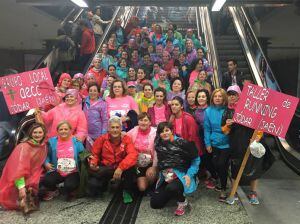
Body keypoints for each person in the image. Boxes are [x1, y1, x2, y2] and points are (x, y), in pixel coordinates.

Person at [221, 85, 263, 205]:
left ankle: (253, 193)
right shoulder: (226, 111)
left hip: (252, 142)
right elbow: (224, 131)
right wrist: (227, 125)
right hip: (236, 144)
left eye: (234, 94)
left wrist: (257, 139)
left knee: (254, 168)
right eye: (229, 94)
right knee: (235, 167)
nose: (232, 97)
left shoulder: (251, 108)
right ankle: (233, 193)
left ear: (240, 95)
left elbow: (260, 125)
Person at [150, 122, 200, 216]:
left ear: (172, 131)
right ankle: (173, 193)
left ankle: (183, 201)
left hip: (182, 175)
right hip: (166, 177)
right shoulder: (159, 145)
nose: (164, 133)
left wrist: (189, 175)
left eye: (167, 130)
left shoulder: (183, 143)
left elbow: (196, 160)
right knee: (155, 203)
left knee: (172, 188)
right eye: (161, 131)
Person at [87, 116, 138, 203]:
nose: (115, 130)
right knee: (93, 187)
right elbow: (94, 154)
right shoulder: (101, 139)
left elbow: (133, 154)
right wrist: (93, 163)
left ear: (121, 128)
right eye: (112, 127)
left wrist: (120, 168)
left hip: (121, 168)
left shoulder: (126, 139)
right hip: (106, 167)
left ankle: (126, 191)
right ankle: (106, 185)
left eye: (117, 127)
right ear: (108, 129)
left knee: (130, 169)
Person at [0, 123, 47, 213]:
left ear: (44, 133)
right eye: (35, 132)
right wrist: (21, 187)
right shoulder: (24, 147)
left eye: (40, 132)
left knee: (47, 181)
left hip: (35, 174)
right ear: (30, 133)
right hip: (19, 178)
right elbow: (18, 171)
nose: (37, 135)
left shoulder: (43, 146)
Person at [43, 121, 84, 201]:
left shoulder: (76, 141)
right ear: (57, 131)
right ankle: (55, 190)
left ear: (70, 130)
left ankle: (72, 190)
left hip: (73, 171)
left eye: (66, 129)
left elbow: (83, 153)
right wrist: (46, 163)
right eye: (61, 129)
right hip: (58, 170)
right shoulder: (52, 142)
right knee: (47, 180)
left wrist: (89, 157)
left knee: (69, 186)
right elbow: (45, 154)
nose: (63, 131)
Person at [204, 88, 229, 202]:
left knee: (222, 164)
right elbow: (207, 129)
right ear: (212, 98)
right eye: (215, 96)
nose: (217, 98)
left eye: (220, 96)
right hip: (214, 142)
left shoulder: (228, 110)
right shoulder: (208, 111)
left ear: (224, 98)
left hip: (227, 143)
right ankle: (222, 180)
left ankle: (223, 189)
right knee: (215, 164)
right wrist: (207, 143)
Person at [126, 113, 157, 192]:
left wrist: (153, 167)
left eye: (146, 120)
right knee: (142, 188)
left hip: (151, 163)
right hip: (138, 164)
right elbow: (124, 137)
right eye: (141, 120)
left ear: (150, 122)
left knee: (150, 175)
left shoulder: (155, 133)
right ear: (138, 122)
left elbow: (158, 152)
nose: (143, 122)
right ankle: (137, 180)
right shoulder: (134, 131)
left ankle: (155, 180)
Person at [83, 83, 108, 151]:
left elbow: (105, 120)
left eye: (95, 90)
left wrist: (103, 134)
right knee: (88, 154)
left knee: (98, 153)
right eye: (90, 90)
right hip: (86, 134)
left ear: (98, 92)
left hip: (98, 135)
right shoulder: (84, 102)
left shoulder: (103, 104)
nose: (92, 92)